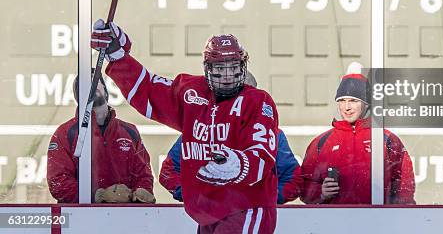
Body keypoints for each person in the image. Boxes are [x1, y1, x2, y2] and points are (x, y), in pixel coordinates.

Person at [91, 21, 279, 233]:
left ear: (242, 68)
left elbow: (263, 153)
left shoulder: (258, 101)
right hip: (208, 212)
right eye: (219, 68)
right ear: (208, 69)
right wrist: (117, 56)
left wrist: (239, 164)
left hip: (246, 208)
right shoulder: (192, 94)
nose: (227, 76)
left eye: (233, 68)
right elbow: (149, 89)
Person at [300, 74, 416, 204]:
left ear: (366, 104)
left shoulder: (386, 139)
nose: (346, 107)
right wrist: (320, 192)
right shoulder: (321, 142)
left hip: (378, 220)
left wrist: (396, 214)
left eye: (353, 101)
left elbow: (404, 183)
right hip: (334, 221)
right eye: (342, 100)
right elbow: (304, 185)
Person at [47, 70, 155, 203]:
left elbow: (144, 175)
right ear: (78, 95)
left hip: (125, 218)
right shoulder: (65, 133)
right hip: (82, 219)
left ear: (105, 88)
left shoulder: (130, 132)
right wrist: (99, 196)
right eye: (85, 84)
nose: (92, 86)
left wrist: (141, 193)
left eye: (95, 81)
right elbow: (58, 183)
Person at [161, 129, 302, 204]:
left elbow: (293, 179)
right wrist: (192, 195)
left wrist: (266, 198)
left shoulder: (272, 135)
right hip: (206, 217)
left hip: (255, 217)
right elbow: (169, 171)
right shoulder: (198, 131)